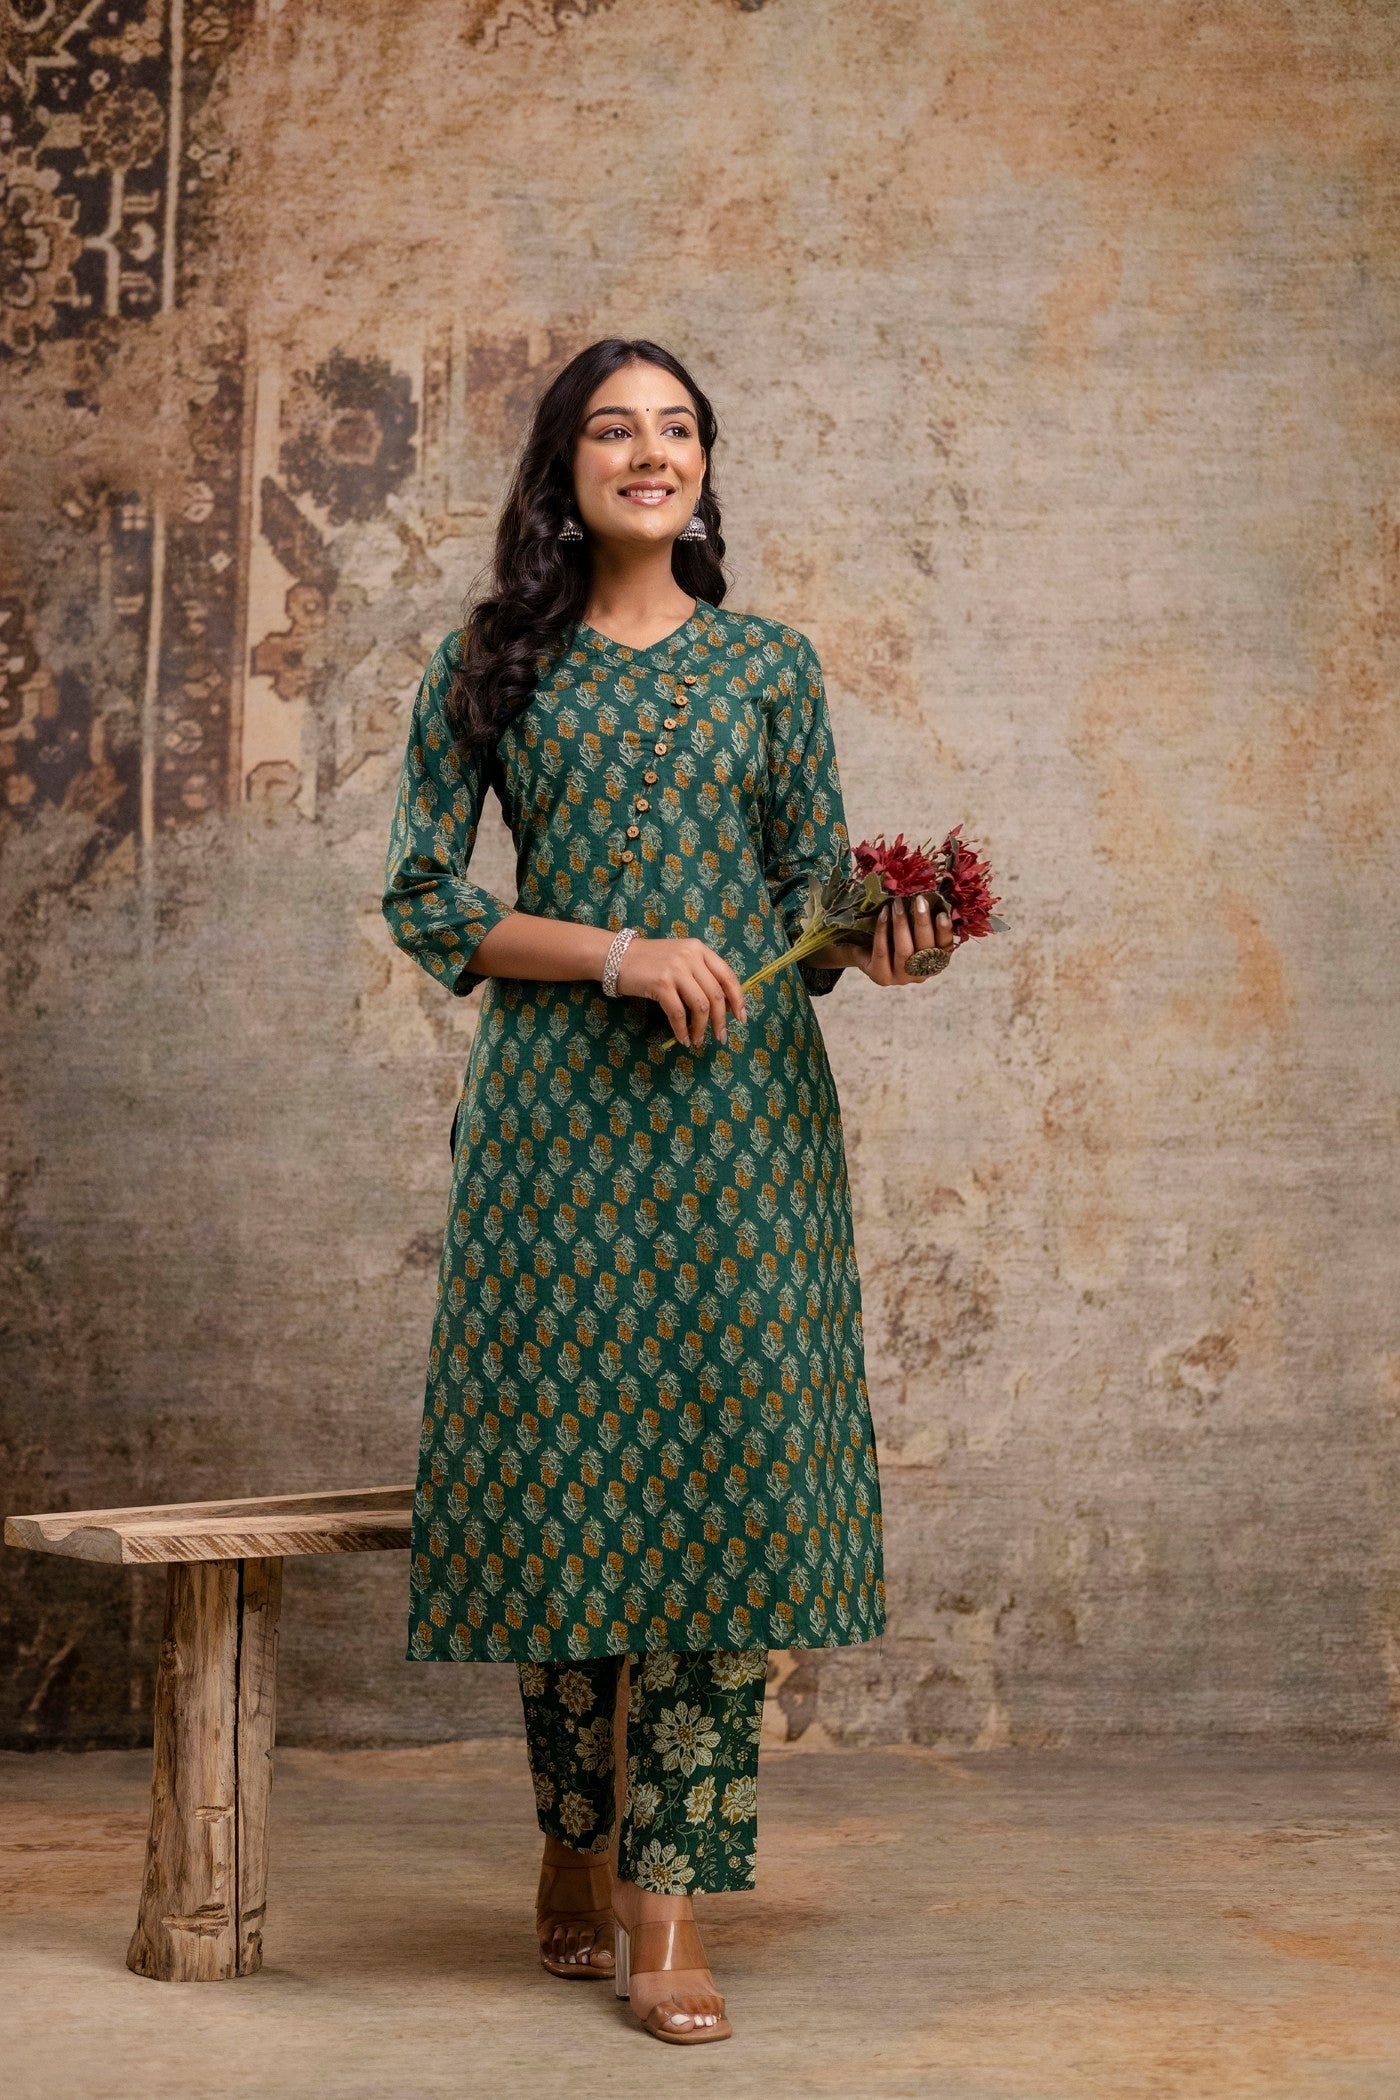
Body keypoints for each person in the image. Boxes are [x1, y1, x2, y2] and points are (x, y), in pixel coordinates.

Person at [381, 337, 954, 2045]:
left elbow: (813, 907)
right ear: (563, 466)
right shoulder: (490, 662)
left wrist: (890, 942)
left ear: (708, 466)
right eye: (616, 430)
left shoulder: (772, 669)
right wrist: (621, 953)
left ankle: (665, 1915)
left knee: (717, 1486)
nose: (653, 453)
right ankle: (574, 1836)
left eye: (681, 428)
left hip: (743, 1137)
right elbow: (423, 900)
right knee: (575, 1479)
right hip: (560, 1130)